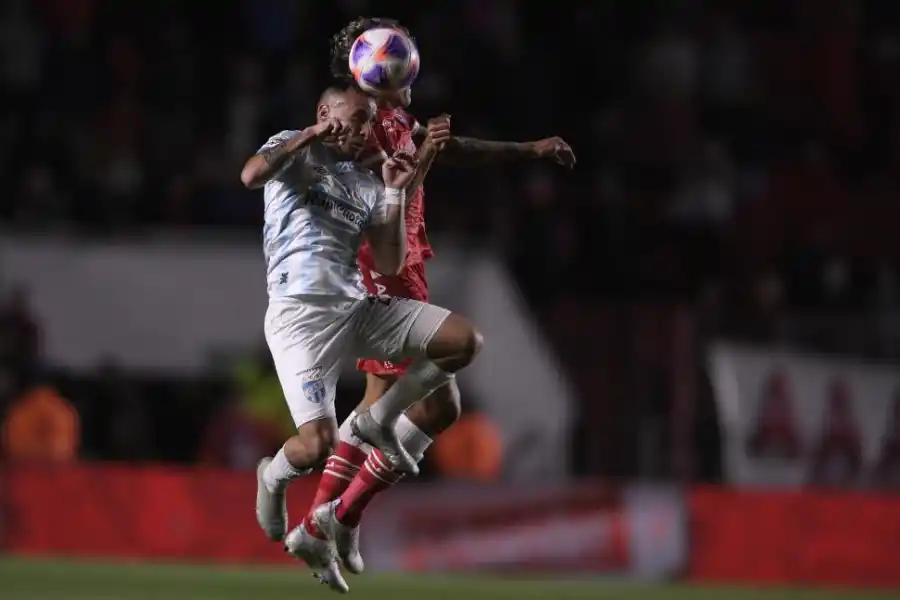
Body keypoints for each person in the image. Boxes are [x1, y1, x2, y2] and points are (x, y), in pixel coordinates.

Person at [303, 16, 577, 577]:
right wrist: (429, 155)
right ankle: (331, 517)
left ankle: (330, 518)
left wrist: (527, 149)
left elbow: (450, 151)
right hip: (383, 272)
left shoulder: (397, 119)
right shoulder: (358, 126)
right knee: (427, 400)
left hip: (407, 270)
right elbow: (387, 192)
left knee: (401, 404)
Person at [240, 83, 481, 593]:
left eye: (368, 122)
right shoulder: (292, 147)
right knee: (316, 444)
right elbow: (250, 175)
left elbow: (390, 261)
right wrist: (309, 135)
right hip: (299, 318)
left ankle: (377, 420)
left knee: (463, 341)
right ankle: (274, 477)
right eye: (351, 119)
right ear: (325, 112)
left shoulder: (367, 182)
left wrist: (396, 189)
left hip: (356, 310)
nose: (360, 131)